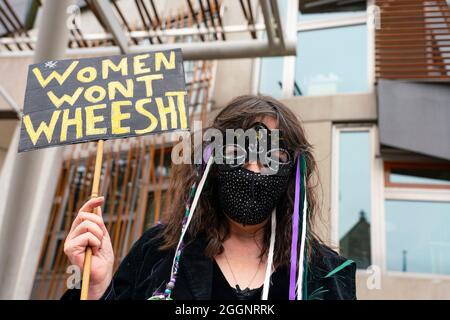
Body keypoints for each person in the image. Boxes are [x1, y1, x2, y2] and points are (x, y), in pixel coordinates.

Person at [62, 95, 356, 300]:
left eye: (273, 157)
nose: (252, 170)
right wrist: (95, 289)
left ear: (293, 170)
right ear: (211, 163)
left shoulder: (326, 273)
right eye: (235, 154)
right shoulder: (158, 252)